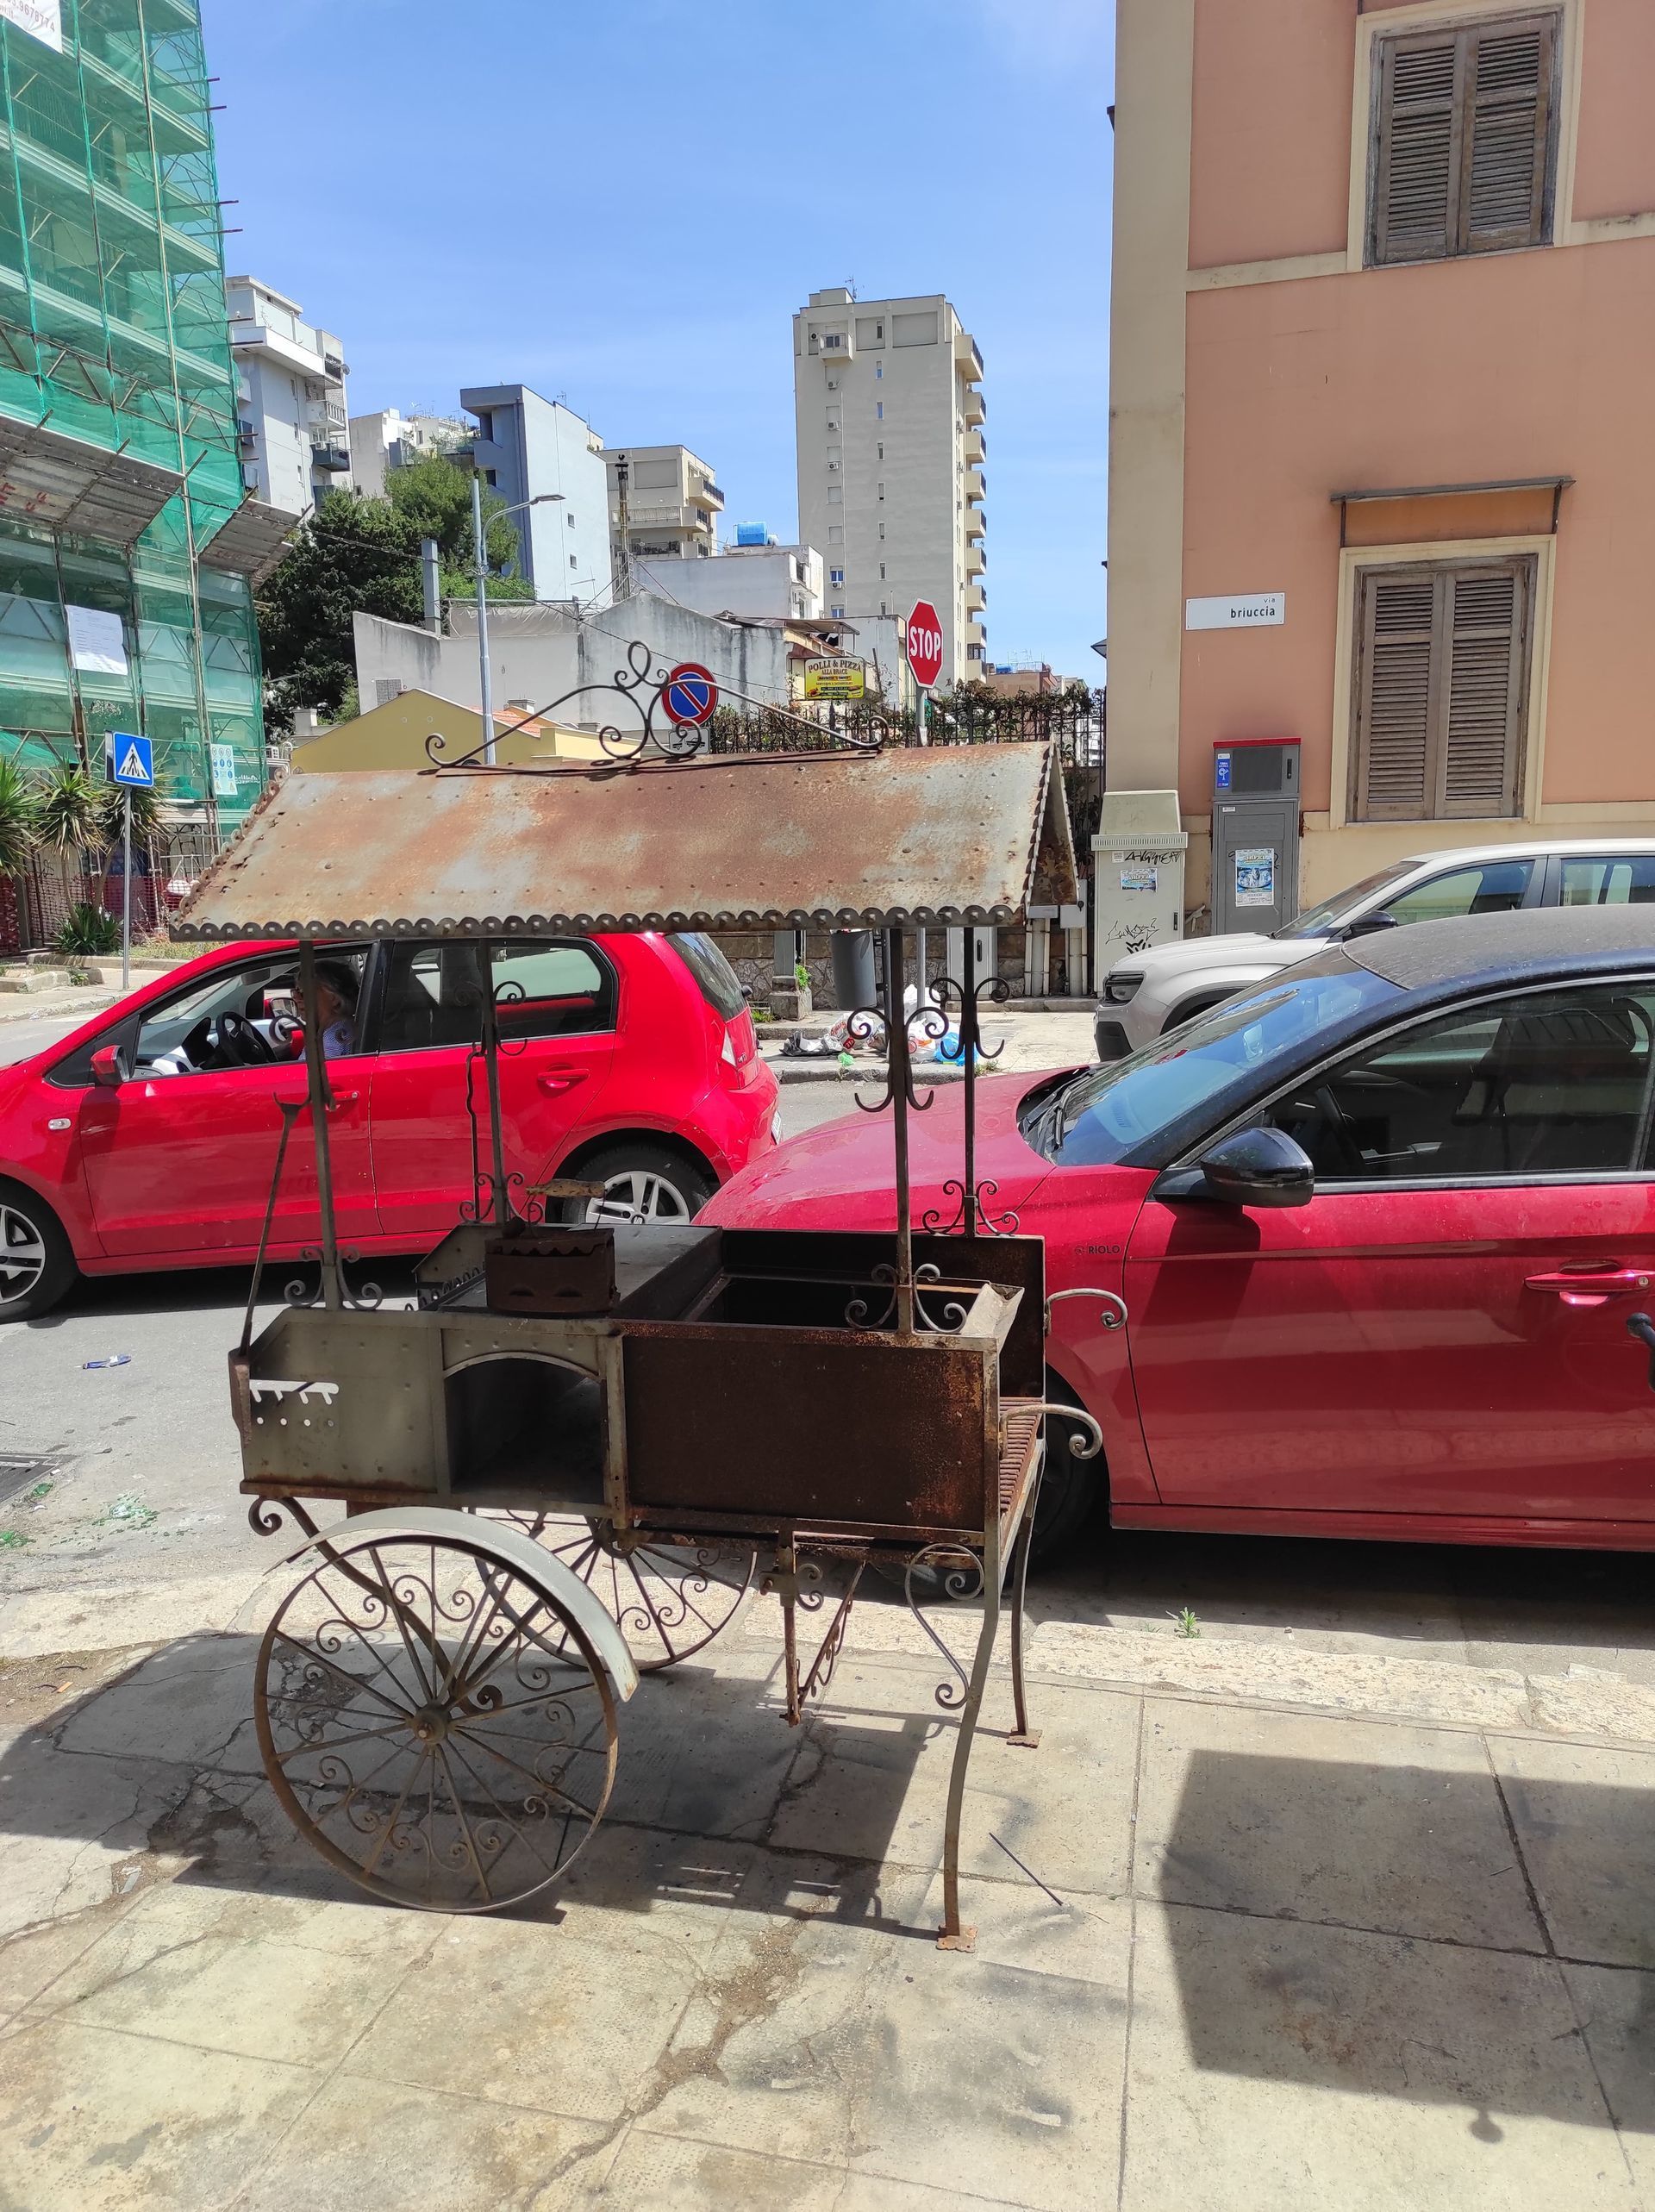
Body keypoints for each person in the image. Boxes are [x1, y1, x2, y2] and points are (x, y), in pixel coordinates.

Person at [310, 960, 359, 1059]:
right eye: (295, 992)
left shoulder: (333, 1038)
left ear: (333, 998)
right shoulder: (343, 1027)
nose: (297, 998)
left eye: (304, 992)